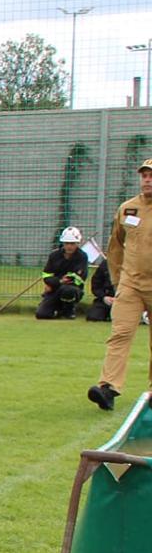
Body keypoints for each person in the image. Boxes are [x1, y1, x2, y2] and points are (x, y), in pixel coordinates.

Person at [91, 160, 152, 411]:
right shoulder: (128, 209)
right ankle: (108, 388)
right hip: (130, 284)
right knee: (120, 334)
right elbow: (115, 247)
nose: (147, 180)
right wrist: (118, 281)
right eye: (144, 175)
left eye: (151, 175)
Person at [37, 228, 90, 320]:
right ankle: (55, 308)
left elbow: (80, 277)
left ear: (77, 243)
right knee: (42, 314)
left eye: (72, 243)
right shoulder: (54, 255)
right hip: (54, 288)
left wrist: (57, 281)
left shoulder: (82, 256)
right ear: (63, 243)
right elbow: (46, 275)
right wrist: (59, 281)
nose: (69, 246)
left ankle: (68, 310)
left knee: (67, 290)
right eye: (67, 243)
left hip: (73, 289)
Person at [89, 257, 116, 323]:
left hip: (126, 300)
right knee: (93, 317)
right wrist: (104, 297)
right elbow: (96, 286)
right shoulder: (105, 264)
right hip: (106, 299)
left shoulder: (132, 264)